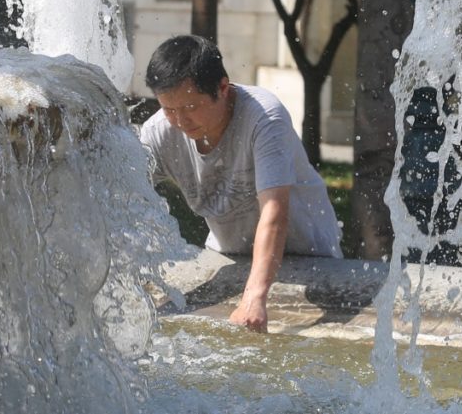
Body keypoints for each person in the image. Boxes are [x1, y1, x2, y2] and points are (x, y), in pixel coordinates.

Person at [139, 35, 343, 333]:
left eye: (191, 106)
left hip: (310, 261)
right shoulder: (159, 132)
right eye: (169, 109)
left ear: (222, 88)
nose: (180, 121)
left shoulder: (264, 118)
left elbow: (274, 214)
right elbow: (118, 188)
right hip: (230, 258)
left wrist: (255, 297)